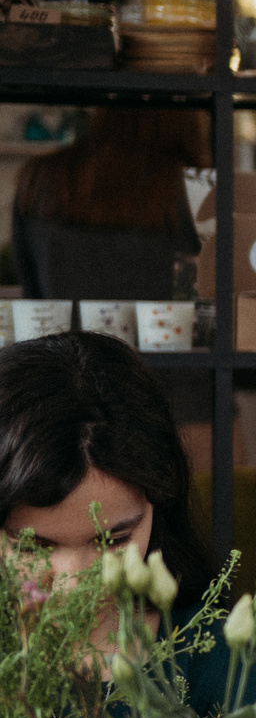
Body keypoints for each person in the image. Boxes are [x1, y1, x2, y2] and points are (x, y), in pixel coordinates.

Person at [0, 331, 256, 718]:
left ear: (159, 504)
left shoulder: (213, 653)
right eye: (35, 547)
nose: (78, 579)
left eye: (113, 540)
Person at [9, 108, 222, 466]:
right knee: (205, 517)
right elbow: (211, 304)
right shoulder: (198, 190)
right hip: (186, 407)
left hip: (66, 410)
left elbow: (35, 301)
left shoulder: (40, 179)